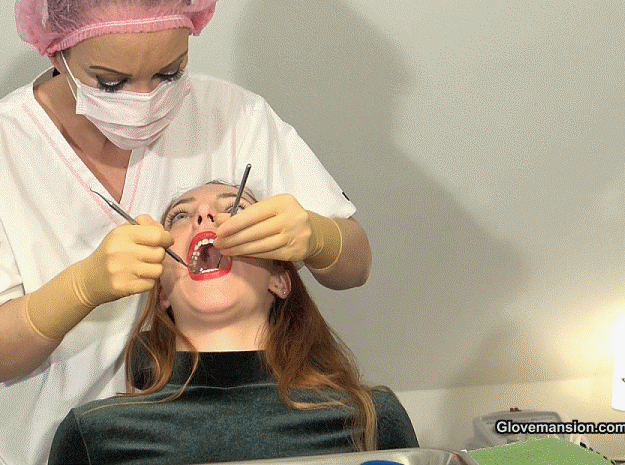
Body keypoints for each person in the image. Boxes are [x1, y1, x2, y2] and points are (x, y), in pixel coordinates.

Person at [0, 0, 372, 464]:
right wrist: (81, 287)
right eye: (111, 82)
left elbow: (355, 263)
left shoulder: (234, 117)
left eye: (169, 73)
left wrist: (319, 238)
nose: (145, 99)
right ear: (57, 49)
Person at [48, 183, 418, 465]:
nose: (205, 216)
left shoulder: (371, 419)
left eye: (235, 208)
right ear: (162, 292)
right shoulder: (93, 436)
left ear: (280, 279)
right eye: (179, 216)